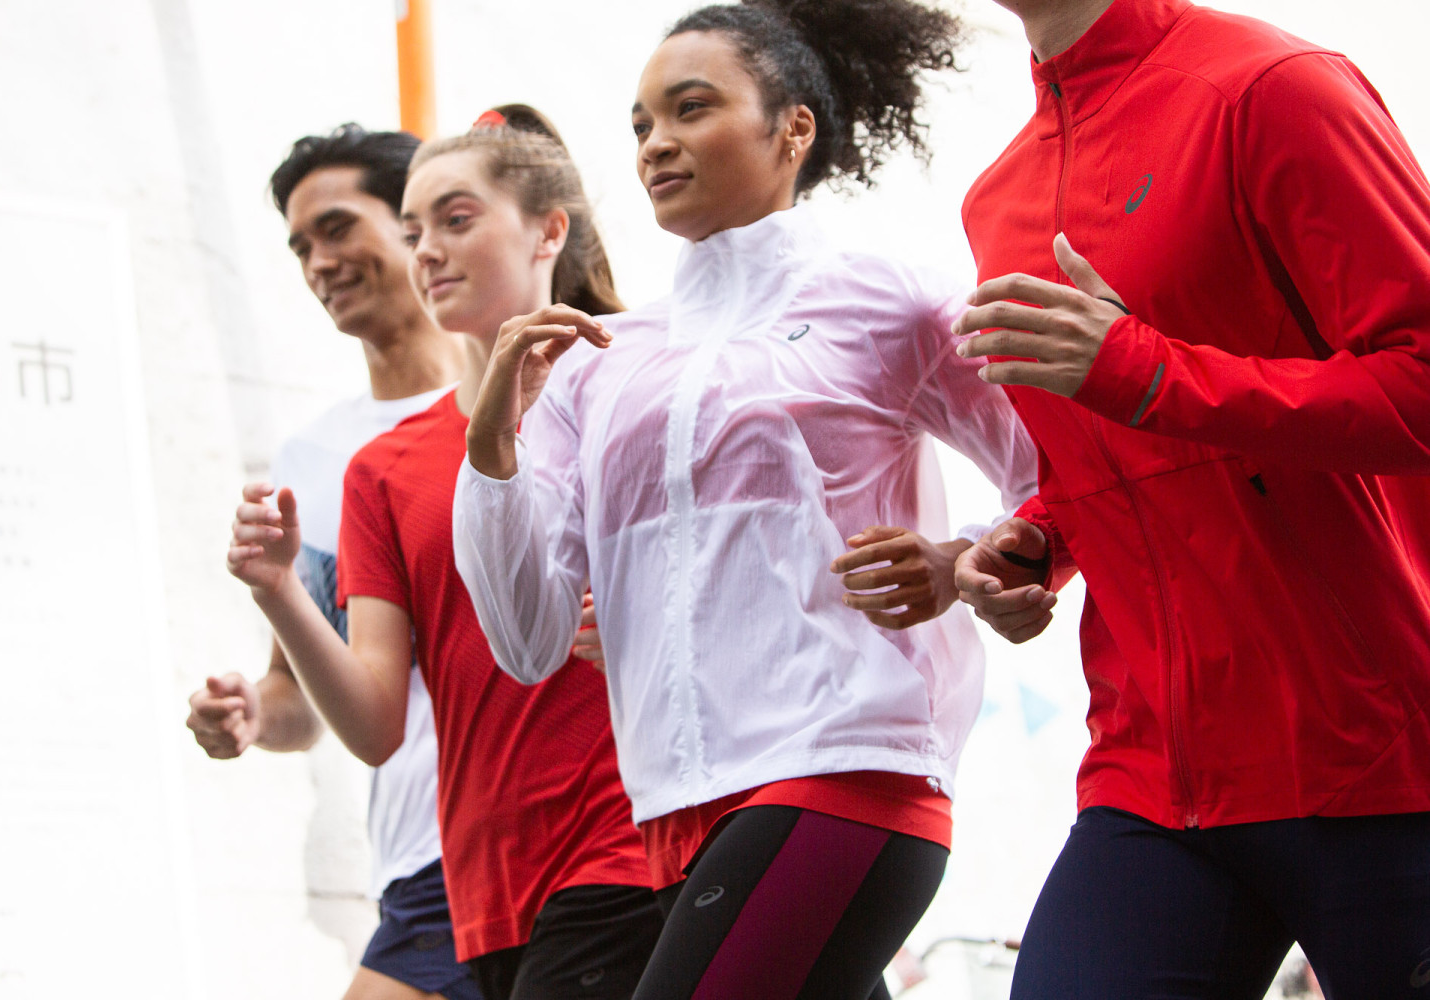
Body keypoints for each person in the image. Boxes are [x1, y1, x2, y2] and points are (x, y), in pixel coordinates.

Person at [450, 4, 1037, 997]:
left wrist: (963, 560)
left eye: (690, 109)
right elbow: (525, 639)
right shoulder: (598, 366)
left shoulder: (890, 298)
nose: (656, 144)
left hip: (846, 767)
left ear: (792, 128)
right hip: (677, 809)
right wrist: (490, 446)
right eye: (641, 124)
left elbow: (1055, 473)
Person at [952, 0, 1430, 996]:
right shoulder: (996, 198)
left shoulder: (1271, 90)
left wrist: (1153, 372)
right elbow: (1111, 454)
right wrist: (1039, 540)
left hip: (1375, 751)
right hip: (1153, 772)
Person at [226, 106, 663, 1000]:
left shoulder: (636, 388)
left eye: (451, 222)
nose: (426, 250)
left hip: (630, 843)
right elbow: (376, 725)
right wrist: (279, 592)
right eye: (418, 229)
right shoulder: (376, 469)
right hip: (477, 878)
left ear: (549, 230)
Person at [187, 123, 476, 1000]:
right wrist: (251, 713)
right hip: (415, 865)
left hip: (544, 841)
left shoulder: (517, 405)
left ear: (418, 225)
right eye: (301, 246)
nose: (319, 262)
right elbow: (304, 700)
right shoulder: (314, 459)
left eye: (341, 227)